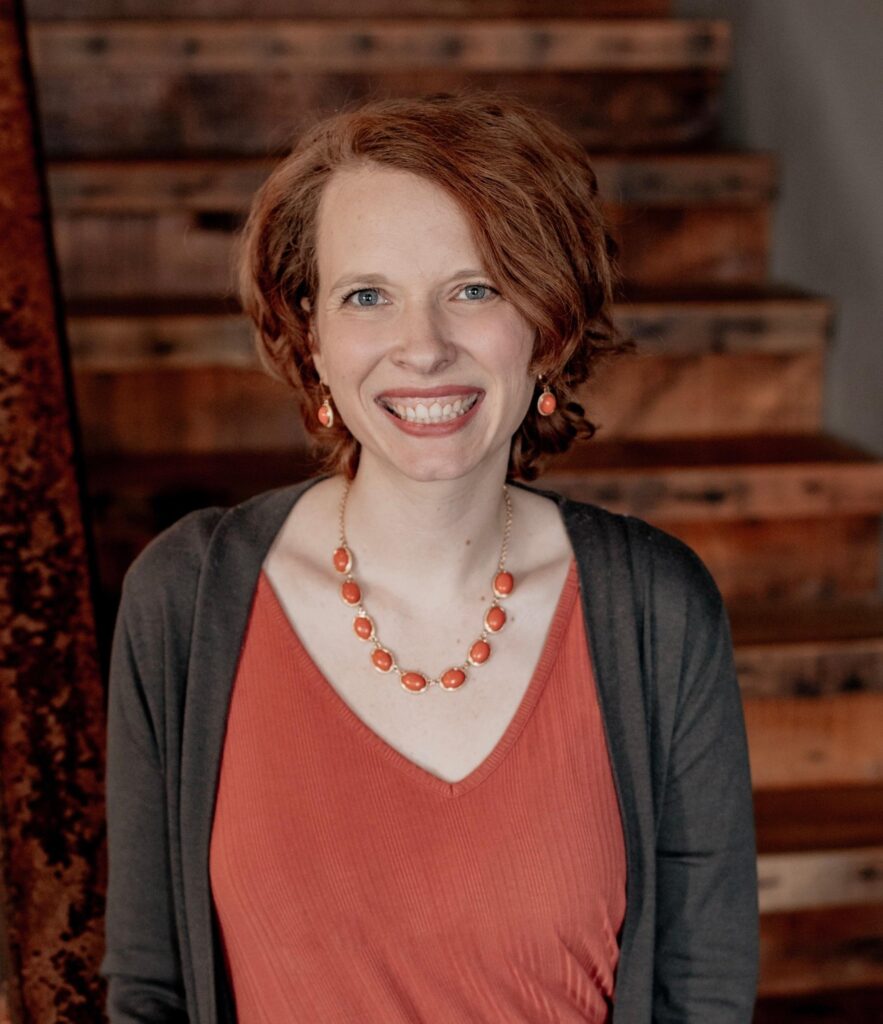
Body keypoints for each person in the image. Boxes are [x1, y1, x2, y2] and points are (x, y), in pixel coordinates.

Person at [101, 92, 759, 1023]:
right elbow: (150, 987)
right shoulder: (189, 598)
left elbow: (704, 990)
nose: (423, 347)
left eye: (475, 288)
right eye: (367, 295)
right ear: (312, 332)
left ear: (548, 322)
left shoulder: (655, 609)